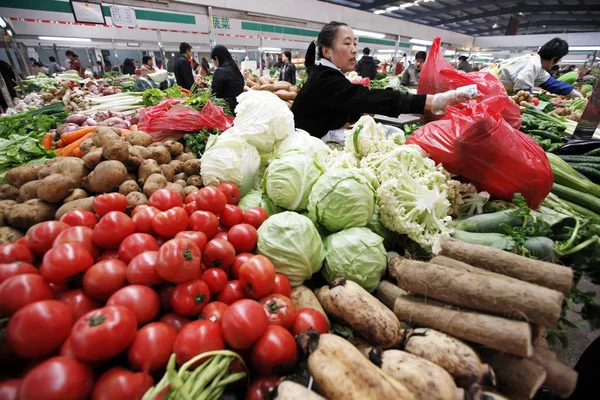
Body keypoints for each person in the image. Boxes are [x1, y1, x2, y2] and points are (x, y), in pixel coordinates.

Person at [291, 21, 475, 139]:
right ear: (326, 51)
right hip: (306, 149)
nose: (354, 49)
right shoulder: (326, 79)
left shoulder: (323, 74)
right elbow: (370, 97)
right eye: (347, 43)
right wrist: (435, 101)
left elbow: (340, 105)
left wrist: (360, 112)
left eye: (355, 43)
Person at [491, 38, 583, 98]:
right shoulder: (532, 65)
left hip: (494, 91)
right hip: (488, 90)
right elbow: (523, 92)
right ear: (553, 60)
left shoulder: (536, 64)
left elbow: (551, 83)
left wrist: (573, 92)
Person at [210, 45, 245, 113]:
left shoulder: (219, 71)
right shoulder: (236, 70)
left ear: (216, 58)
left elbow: (214, 95)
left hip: (226, 111)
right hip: (239, 109)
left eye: (213, 60)